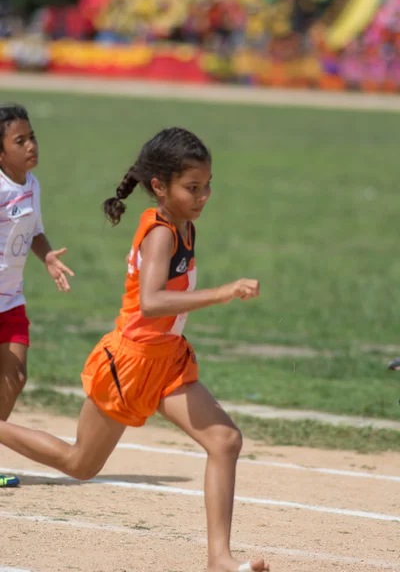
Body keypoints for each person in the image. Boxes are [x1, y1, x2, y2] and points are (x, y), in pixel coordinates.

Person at [0, 127, 268, 572]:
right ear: (160, 186)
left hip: (166, 359)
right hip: (131, 362)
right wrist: (223, 292)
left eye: (207, 186)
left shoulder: (182, 224)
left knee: (224, 441)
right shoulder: (160, 232)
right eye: (193, 187)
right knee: (79, 462)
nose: (203, 196)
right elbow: (152, 301)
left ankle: (219, 559)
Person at [0, 104, 74, 488]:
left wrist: (46, 256)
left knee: (15, 377)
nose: (31, 145)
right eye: (19, 140)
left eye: (32, 137)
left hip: (10, 299)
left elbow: (35, 230)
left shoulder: (31, 184)